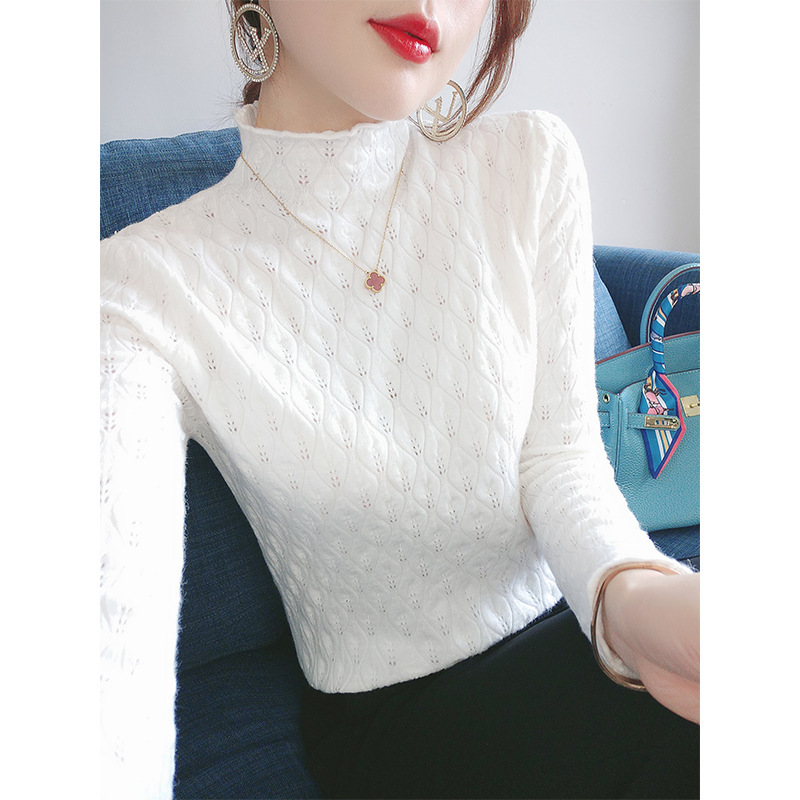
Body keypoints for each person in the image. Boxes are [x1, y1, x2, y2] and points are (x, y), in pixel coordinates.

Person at [100, 1, 700, 798]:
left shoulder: (529, 163)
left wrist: (632, 596)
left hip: (570, 617)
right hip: (400, 721)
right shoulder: (141, 286)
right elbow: (109, 639)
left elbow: (561, 461)